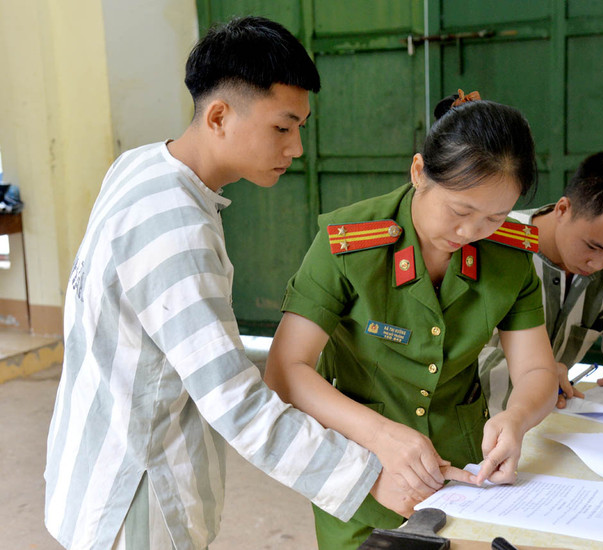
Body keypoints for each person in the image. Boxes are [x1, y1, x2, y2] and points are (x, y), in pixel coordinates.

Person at [44, 16, 424, 550]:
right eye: (281, 127)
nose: (295, 149)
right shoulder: (175, 227)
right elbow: (237, 402)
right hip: (135, 501)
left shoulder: (140, 166)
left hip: (89, 460)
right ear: (219, 115)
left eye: (300, 129)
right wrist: (367, 475)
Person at [263, 90, 560, 550]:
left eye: (494, 217)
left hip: (461, 477)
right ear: (419, 172)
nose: (471, 233)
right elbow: (286, 370)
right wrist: (382, 437)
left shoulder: (511, 254)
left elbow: (537, 369)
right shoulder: (348, 245)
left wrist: (518, 418)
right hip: (358, 467)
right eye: (460, 211)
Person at [479, 149, 603, 415]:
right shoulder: (494, 244)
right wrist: (539, 375)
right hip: (478, 421)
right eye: (592, 246)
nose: (599, 264)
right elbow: (453, 353)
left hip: (553, 421)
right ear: (563, 209)